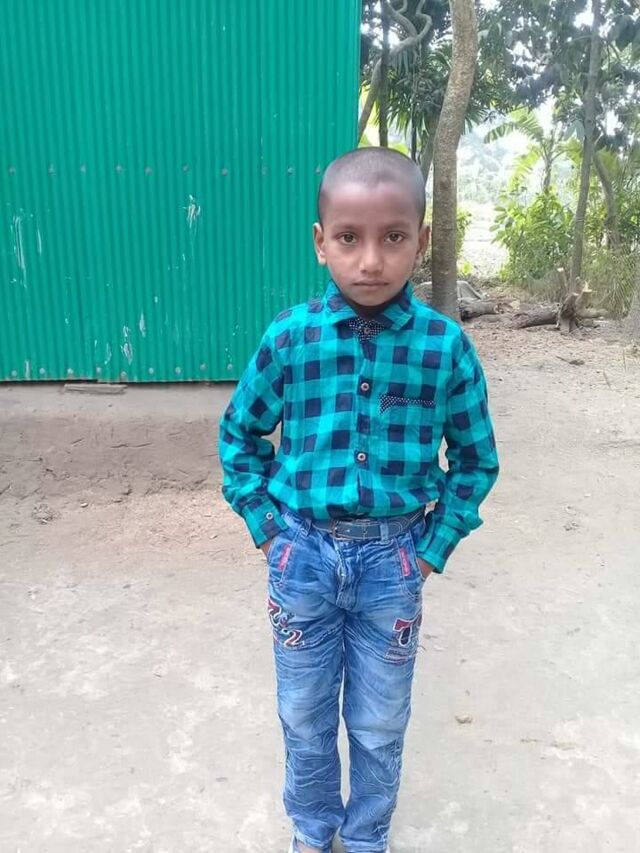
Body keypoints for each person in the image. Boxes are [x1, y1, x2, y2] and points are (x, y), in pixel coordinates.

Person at [219, 147, 499, 853]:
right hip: (301, 560)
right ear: (321, 243)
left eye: (393, 237)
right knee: (303, 714)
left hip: (393, 564)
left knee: (379, 721)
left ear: (421, 241)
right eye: (349, 237)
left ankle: (367, 834)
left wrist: (430, 549)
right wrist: (267, 529)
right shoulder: (291, 338)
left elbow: (475, 460)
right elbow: (240, 435)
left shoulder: (444, 348)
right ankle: (314, 830)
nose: (370, 260)